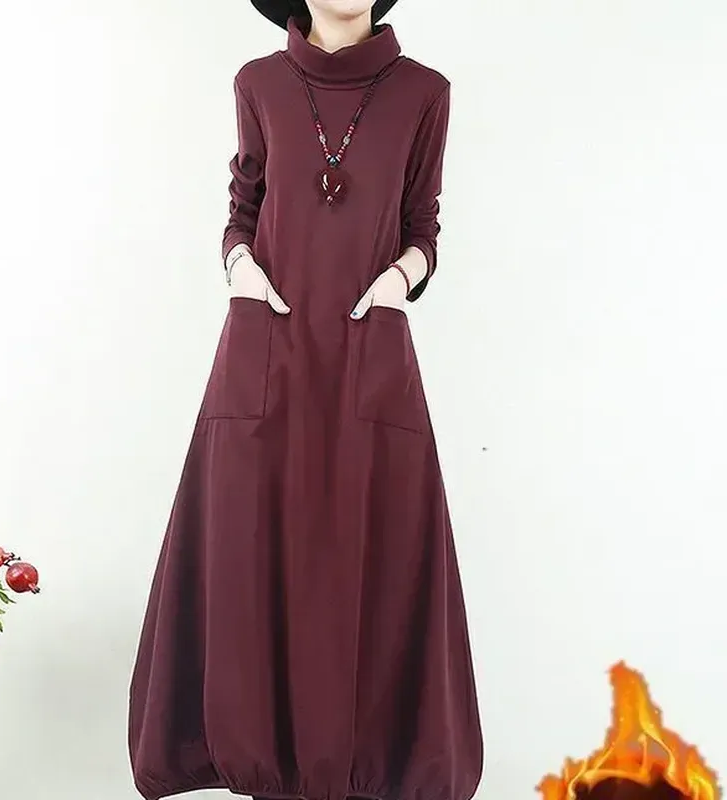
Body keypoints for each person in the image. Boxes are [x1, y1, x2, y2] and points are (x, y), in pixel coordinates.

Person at [127, 2, 484, 800]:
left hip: (366, 345)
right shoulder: (259, 82)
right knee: (250, 541)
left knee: (369, 548)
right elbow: (242, 209)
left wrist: (398, 283)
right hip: (269, 343)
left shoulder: (424, 92)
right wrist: (241, 272)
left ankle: (363, 763)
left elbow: (423, 224)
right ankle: (252, 754)